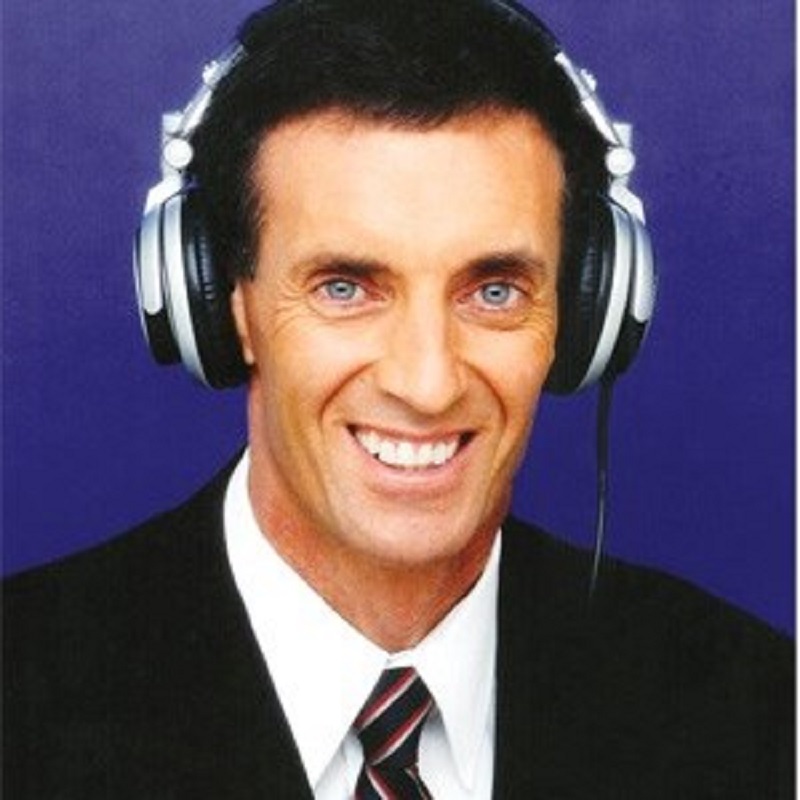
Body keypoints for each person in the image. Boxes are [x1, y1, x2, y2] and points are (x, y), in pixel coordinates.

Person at [4, 1, 792, 798]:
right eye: (345, 287)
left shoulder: (755, 712)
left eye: (493, 291)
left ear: (585, 314)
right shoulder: (22, 697)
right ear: (223, 305)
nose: (426, 383)